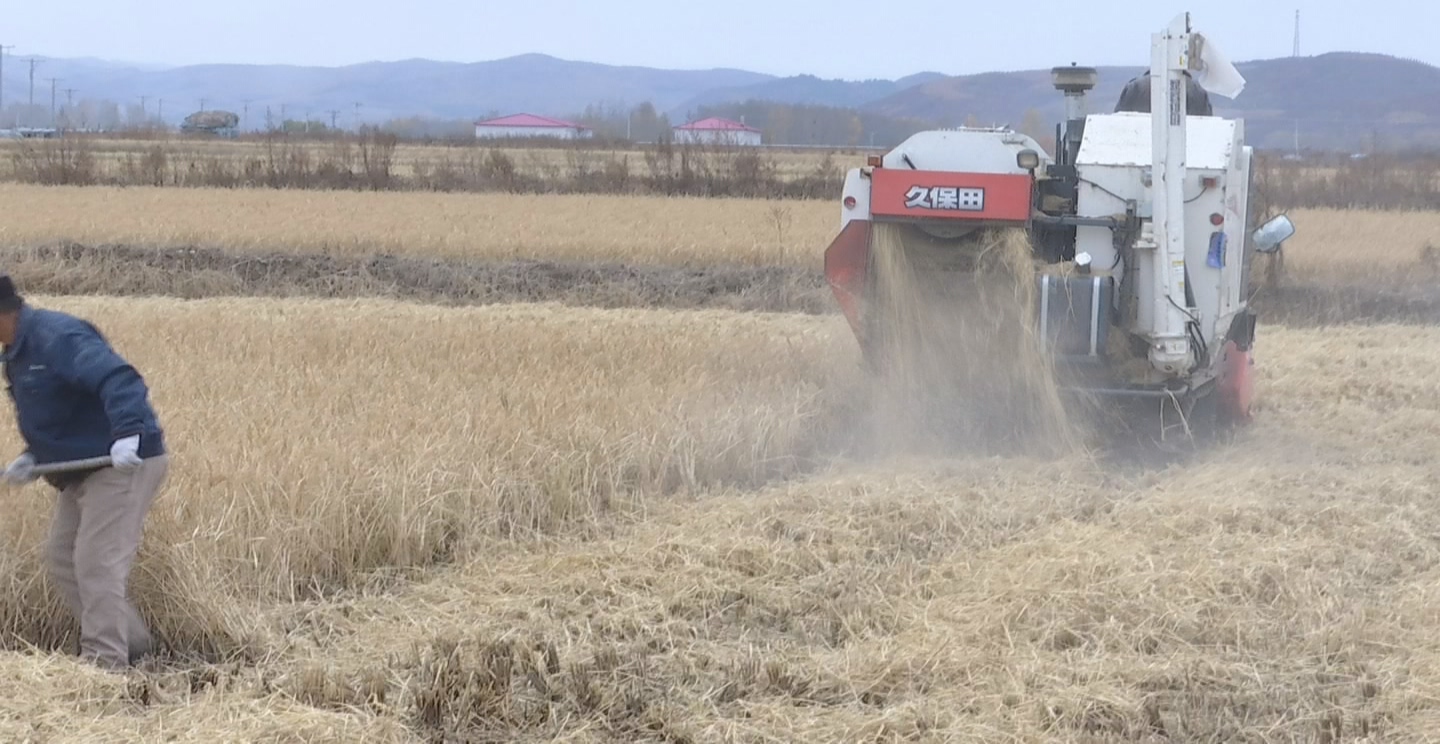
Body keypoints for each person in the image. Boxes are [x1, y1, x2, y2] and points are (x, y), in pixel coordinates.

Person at [0, 275, 169, 671]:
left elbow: (119, 378)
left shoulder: (56, 337)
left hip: (121, 463)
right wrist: (34, 457)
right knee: (62, 557)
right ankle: (135, 646)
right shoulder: (16, 352)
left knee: (96, 562)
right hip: (82, 468)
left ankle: (105, 665)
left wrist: (129, 434)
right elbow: (62, 413)